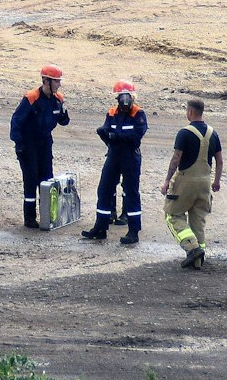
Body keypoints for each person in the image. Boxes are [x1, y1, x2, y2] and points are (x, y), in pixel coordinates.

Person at [161, 98, 224, 270]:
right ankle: (197, 261)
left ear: (190, 111)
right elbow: (219, 160)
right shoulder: (213, 133)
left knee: (172, 215)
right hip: (205, 183)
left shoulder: (184, 133)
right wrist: (217, 181)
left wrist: (167, 181)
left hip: (185, 182)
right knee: (198, 221)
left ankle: (192, 248)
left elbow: (176, 159)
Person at [82, 81, 148, 245]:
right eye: (122, 97)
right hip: (113, 155)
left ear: (132, 98)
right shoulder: (111, 113)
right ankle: (100, 227)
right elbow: (106, 130)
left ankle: (133, 231)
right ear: (117, 98)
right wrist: (106, 135)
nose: (125, 101)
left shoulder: (139, 114)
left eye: (128, 97)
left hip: (130, 156)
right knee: (104, 189)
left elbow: (136, 136)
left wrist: (115, 136)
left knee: (131, 192)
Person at [9, 65, 70, 228]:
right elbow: (16, 121)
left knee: (46, 178)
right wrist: (18, 144)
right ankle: (29, 218)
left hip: (45, 143)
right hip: (28, 144)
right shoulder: (31, 98)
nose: (59, 85)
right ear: (46, 81)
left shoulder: (58, 99)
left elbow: (63, 121)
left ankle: (47, 215)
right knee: (31, 179)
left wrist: (64, 115)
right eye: (56, 81)